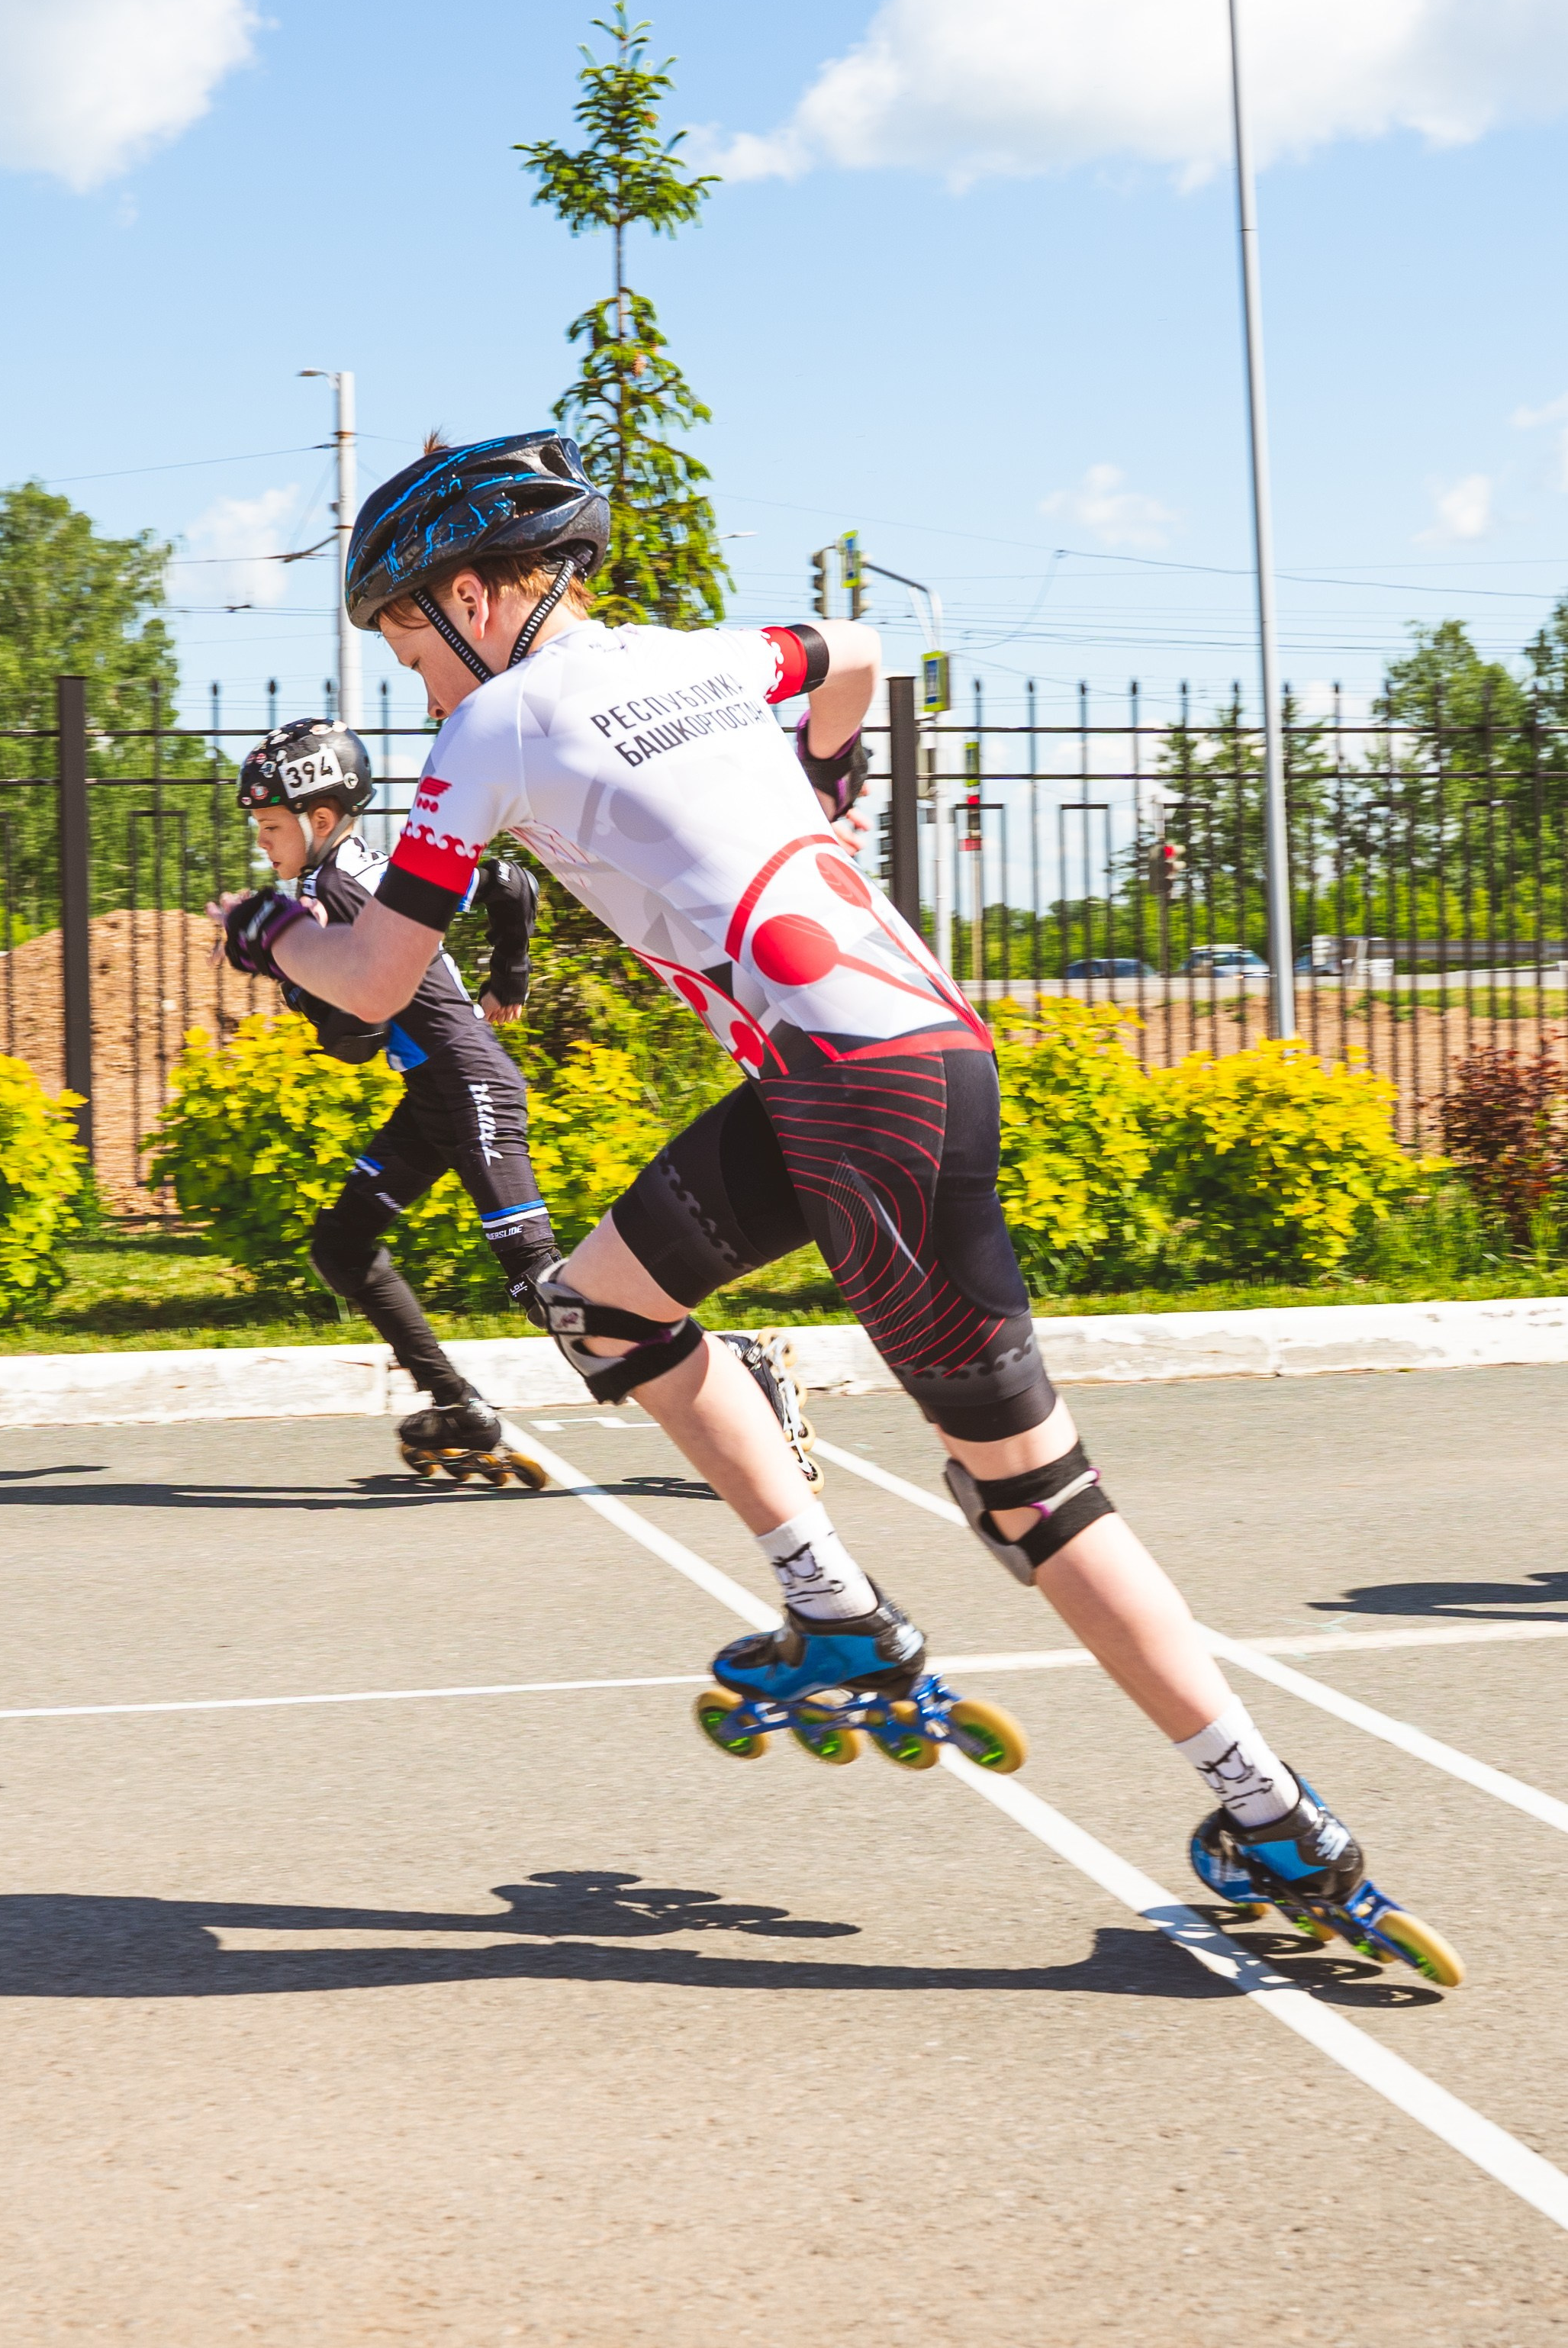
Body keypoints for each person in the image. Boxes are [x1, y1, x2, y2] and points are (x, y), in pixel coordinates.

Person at [253, 433, 1424, 1954]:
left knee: (1027, 1498)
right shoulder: (704, 655)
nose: (418, 688)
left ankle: (1276, 1822)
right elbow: (855, 651)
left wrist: (267, 926)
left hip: (854, 1097)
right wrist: (824, 792)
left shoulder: (498, 721)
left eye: (410, 645)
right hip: (875, 1062)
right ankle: (833, 1609)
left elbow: (369, 976)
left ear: (474, 598)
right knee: (602, 1307)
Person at [209, 715, 555, 1488]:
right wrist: (509, 975)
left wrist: (282, 967)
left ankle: (738, 1370)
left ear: (319, 819)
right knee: (340, 1246)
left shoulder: (334, 889)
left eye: (271, 826)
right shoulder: (378, 871)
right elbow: (511, 883)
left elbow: (355, 1035)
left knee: (541, 1283)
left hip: (467, 1082)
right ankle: (458, 1408)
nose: (261, 842)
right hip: (436, 1091)